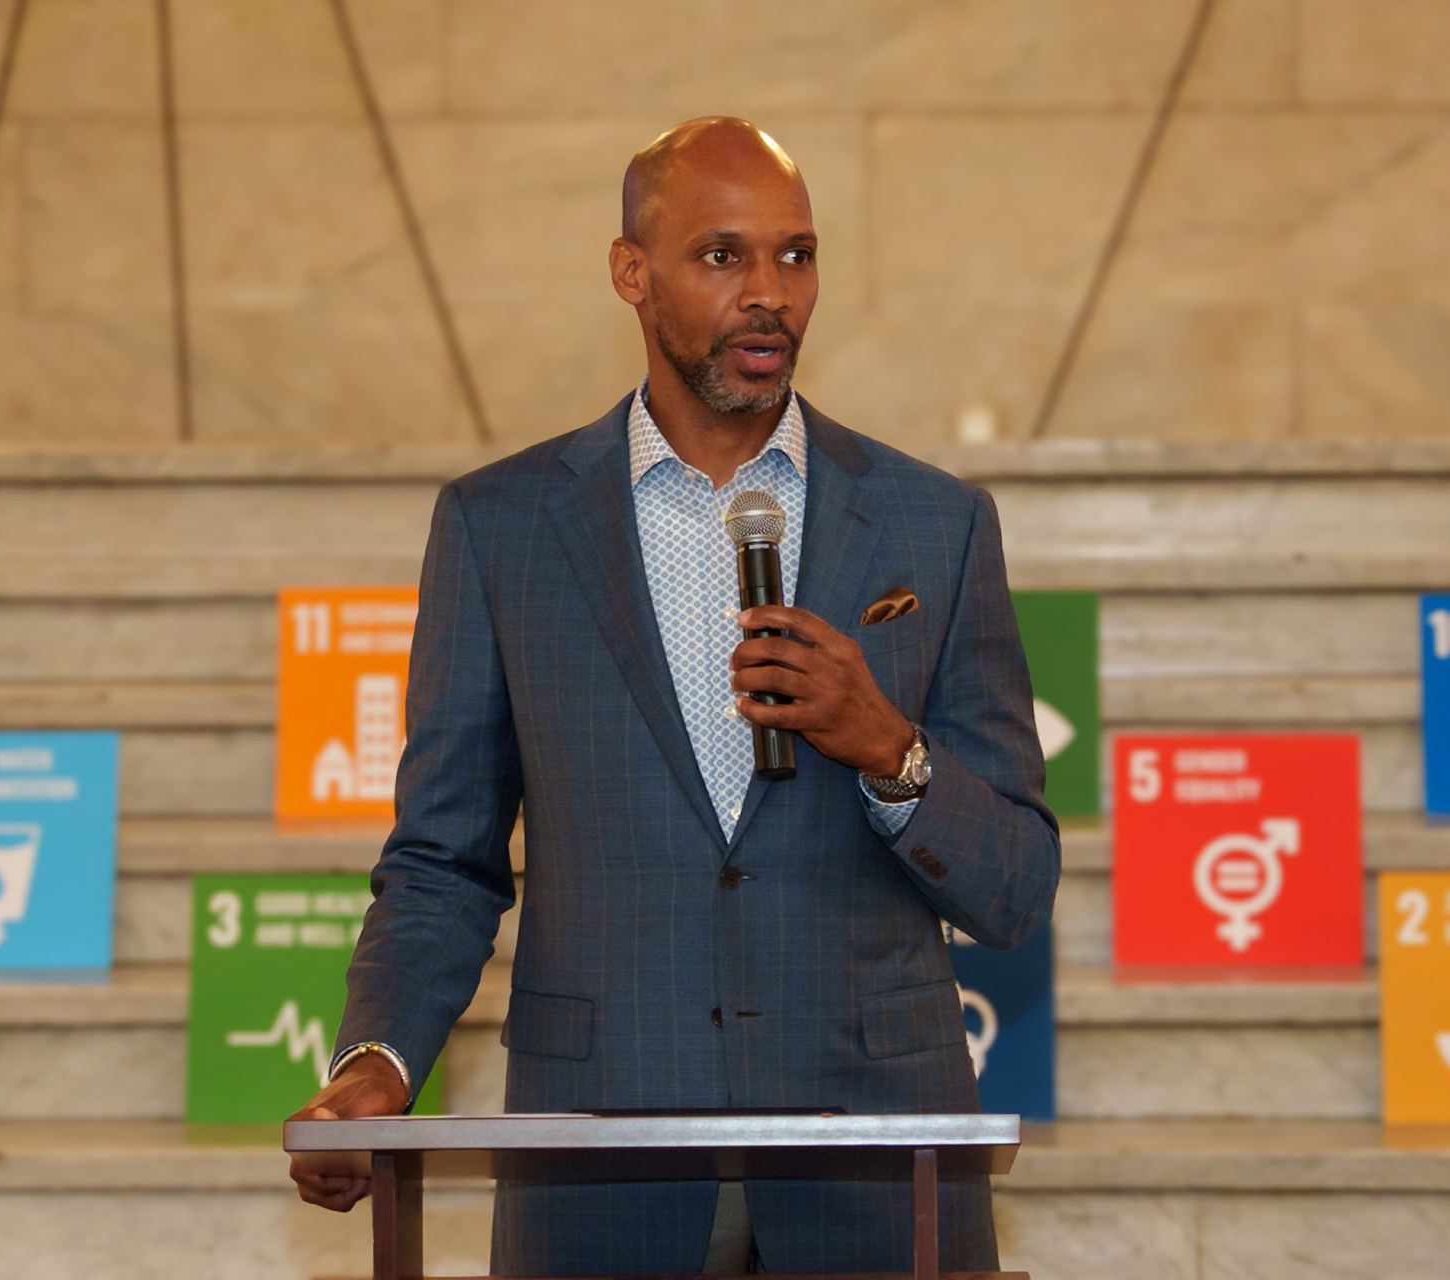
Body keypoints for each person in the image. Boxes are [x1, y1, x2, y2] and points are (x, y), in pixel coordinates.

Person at [288, 117, 1060, 1276]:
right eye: (722, 255)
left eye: (796, 255)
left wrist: (891, 751)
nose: (770, 293)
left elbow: (1018, 885)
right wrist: (378, 1060)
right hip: (603, 1159)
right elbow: (445, 860)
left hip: (872, 1160)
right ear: (631, 271)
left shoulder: (934, 523)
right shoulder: (502, 527)